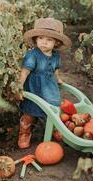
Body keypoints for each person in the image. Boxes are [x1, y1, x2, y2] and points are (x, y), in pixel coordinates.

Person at [17, 18, 72, 149]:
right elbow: (24, 72)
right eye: (41, 38)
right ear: (36, 39)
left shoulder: (55, 56)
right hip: (34, 88)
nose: (44, 42)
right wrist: (19, 87)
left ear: (56, 43)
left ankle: (54, 128)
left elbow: (55, 70)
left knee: (53, 109)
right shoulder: (33, 55)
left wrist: (57, 79)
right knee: (30, 112)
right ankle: (24, 133)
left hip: (50, 87)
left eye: (49, 40)